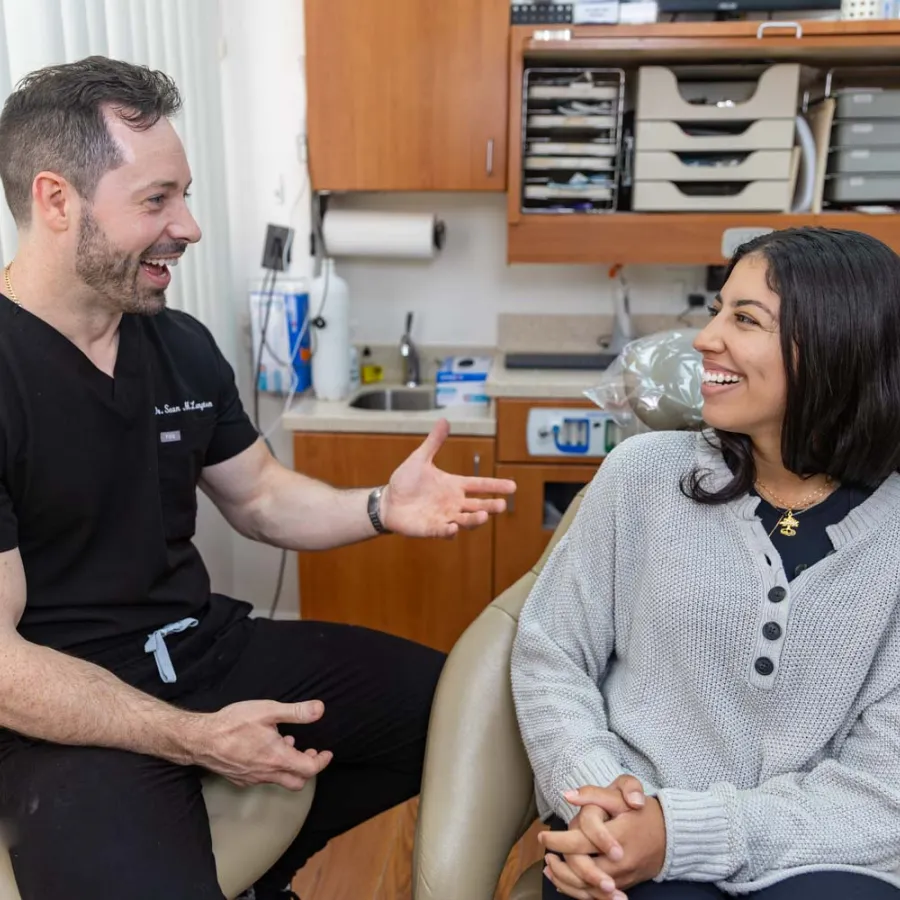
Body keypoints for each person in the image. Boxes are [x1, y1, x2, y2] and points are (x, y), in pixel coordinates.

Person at [0, 56, 516, 900]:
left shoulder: (178, 342)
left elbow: (261, 496)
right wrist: (194, 738)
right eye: (157, 200)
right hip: (68, 714)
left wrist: (383, 506)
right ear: (57, 201)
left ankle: (260, 869)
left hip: (201, 650)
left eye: (186, 194)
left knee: (470, 717)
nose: (191, 226)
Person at [511, 227, 900, 900]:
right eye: (718, 309)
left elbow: (884, 790)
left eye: (745, 319)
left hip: (825, 852)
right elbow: (551, 659)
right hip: (627, 828)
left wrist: (685, 830)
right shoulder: (643, 476)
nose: (704, 338)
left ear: (839, 346)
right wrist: (595, 802)